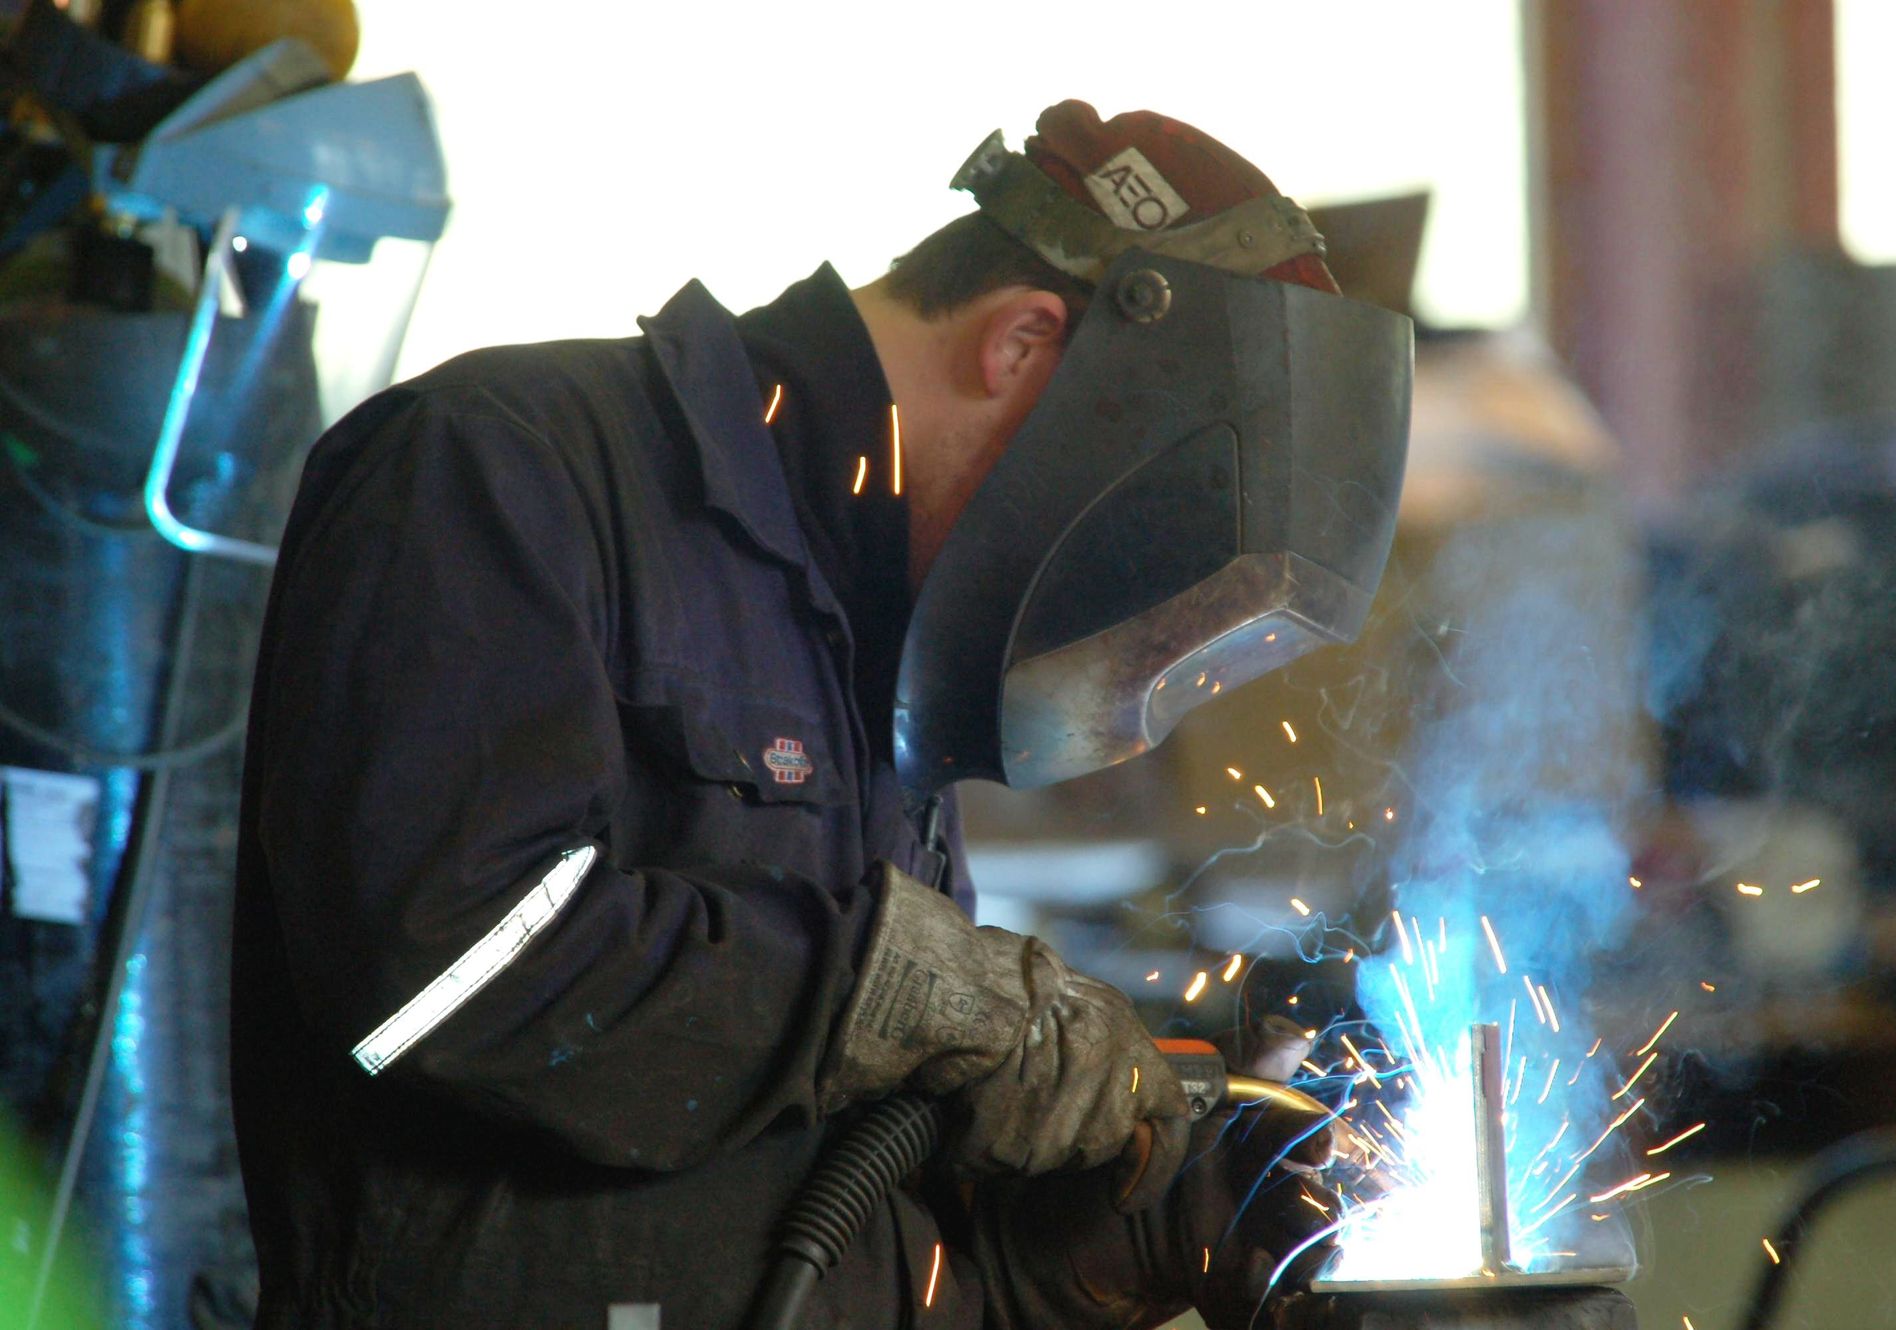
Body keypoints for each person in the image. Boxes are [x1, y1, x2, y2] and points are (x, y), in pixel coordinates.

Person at [231, 100, 1411, 1328]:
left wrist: (1123, 1230)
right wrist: (872, 991)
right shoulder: (506, 464)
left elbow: (825, 1211)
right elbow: (427, 979)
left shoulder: (876, 636)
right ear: (1018, 347)